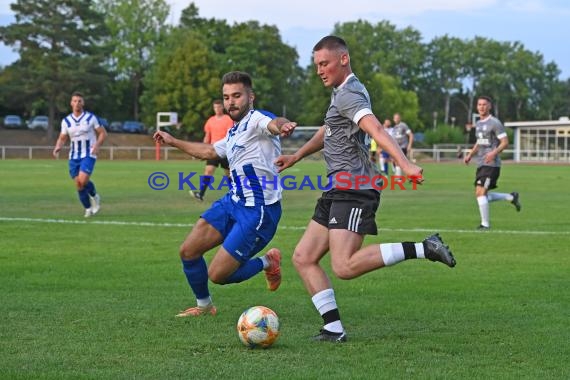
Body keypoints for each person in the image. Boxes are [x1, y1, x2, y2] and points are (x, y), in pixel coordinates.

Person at [275, 36, 456, 343]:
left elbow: (376, 129)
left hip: (355, 187)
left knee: (343, 265)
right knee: (303, 257)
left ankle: (425, 248)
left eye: (325, 63)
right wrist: (296, 156)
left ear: (343, 59)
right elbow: (327, 130)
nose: (320, 70)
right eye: (316, 64)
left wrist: (405, 164)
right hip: (337, 187)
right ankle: (333, 328)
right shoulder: (341, 93)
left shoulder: (349, 94)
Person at [153, 71, 297, 317]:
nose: (231, 101)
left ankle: (267, 262)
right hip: (232, 202)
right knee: (188, 251)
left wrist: (283, 125)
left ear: (251, 97)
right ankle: (205, 307)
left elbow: (274, 123)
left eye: (237, 95)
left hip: (258, 211)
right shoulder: (233, 132)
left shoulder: (257, 120)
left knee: (218, 275)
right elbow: (209, 151)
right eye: (226, 96)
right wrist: (173, 141)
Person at [464, 95, 521, 230]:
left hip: (492, 164)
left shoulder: (495, 123)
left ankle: (485, 225)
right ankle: (510, 197)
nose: (481, 107)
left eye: (484, 104)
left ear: (489, 106)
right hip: (481, 163)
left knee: (480, 193)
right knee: (481, 194)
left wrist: (493, 153)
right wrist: (470, 154)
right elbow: (480, 141)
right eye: (479, 105)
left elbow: (505, 142)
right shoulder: (478, 124)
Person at [53, 91, 107, 217]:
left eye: (79, 101)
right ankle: (88, 208)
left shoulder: (91, 118)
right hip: (74, 156)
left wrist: (97, 145)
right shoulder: (66, 121)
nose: (77, 103)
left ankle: (94, 196)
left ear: (83, 103)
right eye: (75, 101)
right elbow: (62, 137)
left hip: (89, 153)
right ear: (71, 103)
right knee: (78, 184)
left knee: (82, 180)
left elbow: (103, 133)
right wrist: (57, 147)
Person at [189, 99, 234, 201]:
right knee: (208, 171)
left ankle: (235, 194)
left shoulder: (228, 119)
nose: (217, 109)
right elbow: (207, 136)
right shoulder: (210, 121)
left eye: (219, 107)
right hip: (213, 150)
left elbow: (230, 135)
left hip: (224, 150)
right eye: (215, 107)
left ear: (222, 107)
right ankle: (201, 194)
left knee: (229, 174)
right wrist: (203, 149)